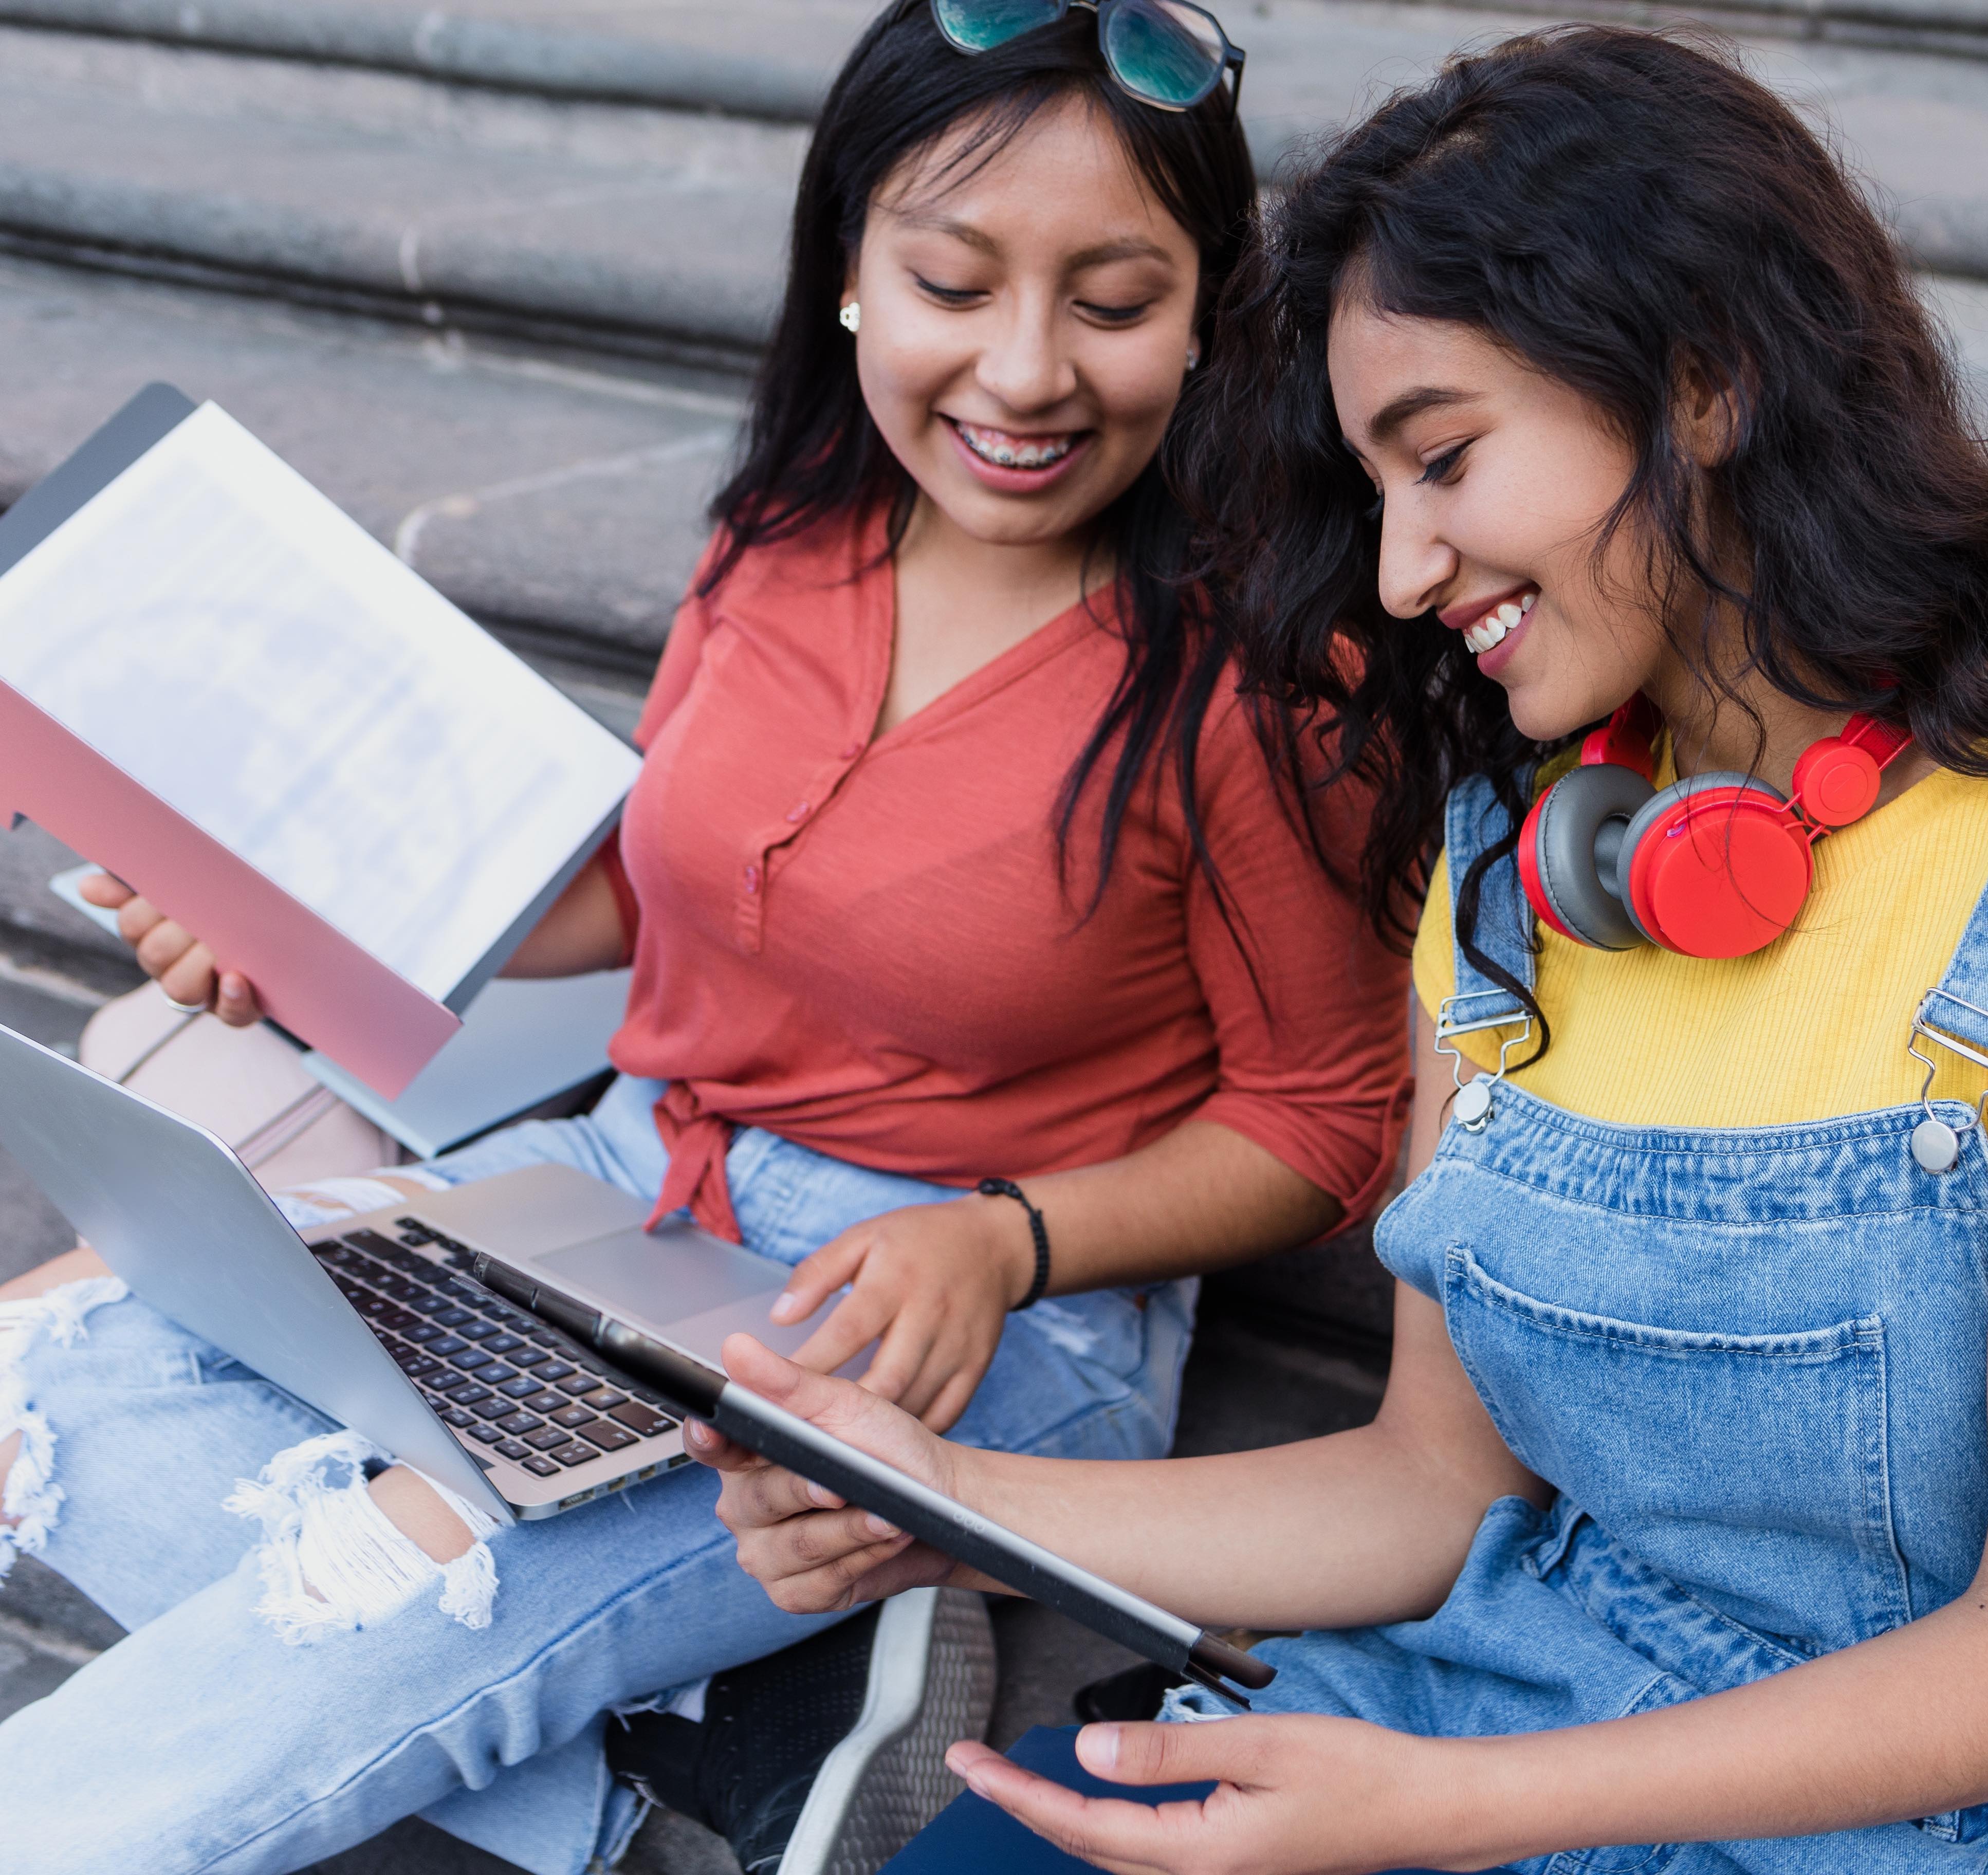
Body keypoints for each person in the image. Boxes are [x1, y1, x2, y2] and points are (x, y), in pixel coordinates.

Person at [698, 26, 1988, 1875]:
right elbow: (1426, 1490)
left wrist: (1458, 1812)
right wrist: (959, 1502)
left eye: (1448, 458)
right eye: (1378, 491)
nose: (1403, 573)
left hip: (1926, 1824)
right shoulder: (1513, 864)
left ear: (1704, 382)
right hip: (1500, 1706)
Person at [0, 3, 1407, 1870]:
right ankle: (685, 1770)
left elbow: (1330, 1120)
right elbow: (648, 895)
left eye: (1113, 300)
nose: (1023, 369)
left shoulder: (1256, 675)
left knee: (389, 1571)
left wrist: (1011, 1241)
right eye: (951, 280)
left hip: (978, 1315)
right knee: (42, 1380)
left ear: (1214, 315)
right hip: (623, 1189)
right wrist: (299, 927)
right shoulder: (783, 534)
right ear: (849, 274)